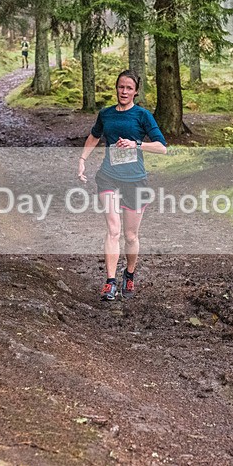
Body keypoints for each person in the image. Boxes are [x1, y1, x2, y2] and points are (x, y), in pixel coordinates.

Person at [77, 70, 167, 301]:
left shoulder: (143, 115)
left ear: (136, 91)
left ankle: (129, 273)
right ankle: (110, 281)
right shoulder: (106, 114)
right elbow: (94, 136)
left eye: (129, 88)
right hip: (108, 177)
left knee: (130, 235)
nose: (124, 91)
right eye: (120, 87)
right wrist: (82, 160)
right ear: (116, 88)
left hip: (135, 181)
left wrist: (136, 144)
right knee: (113, 230)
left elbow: (162, 147)